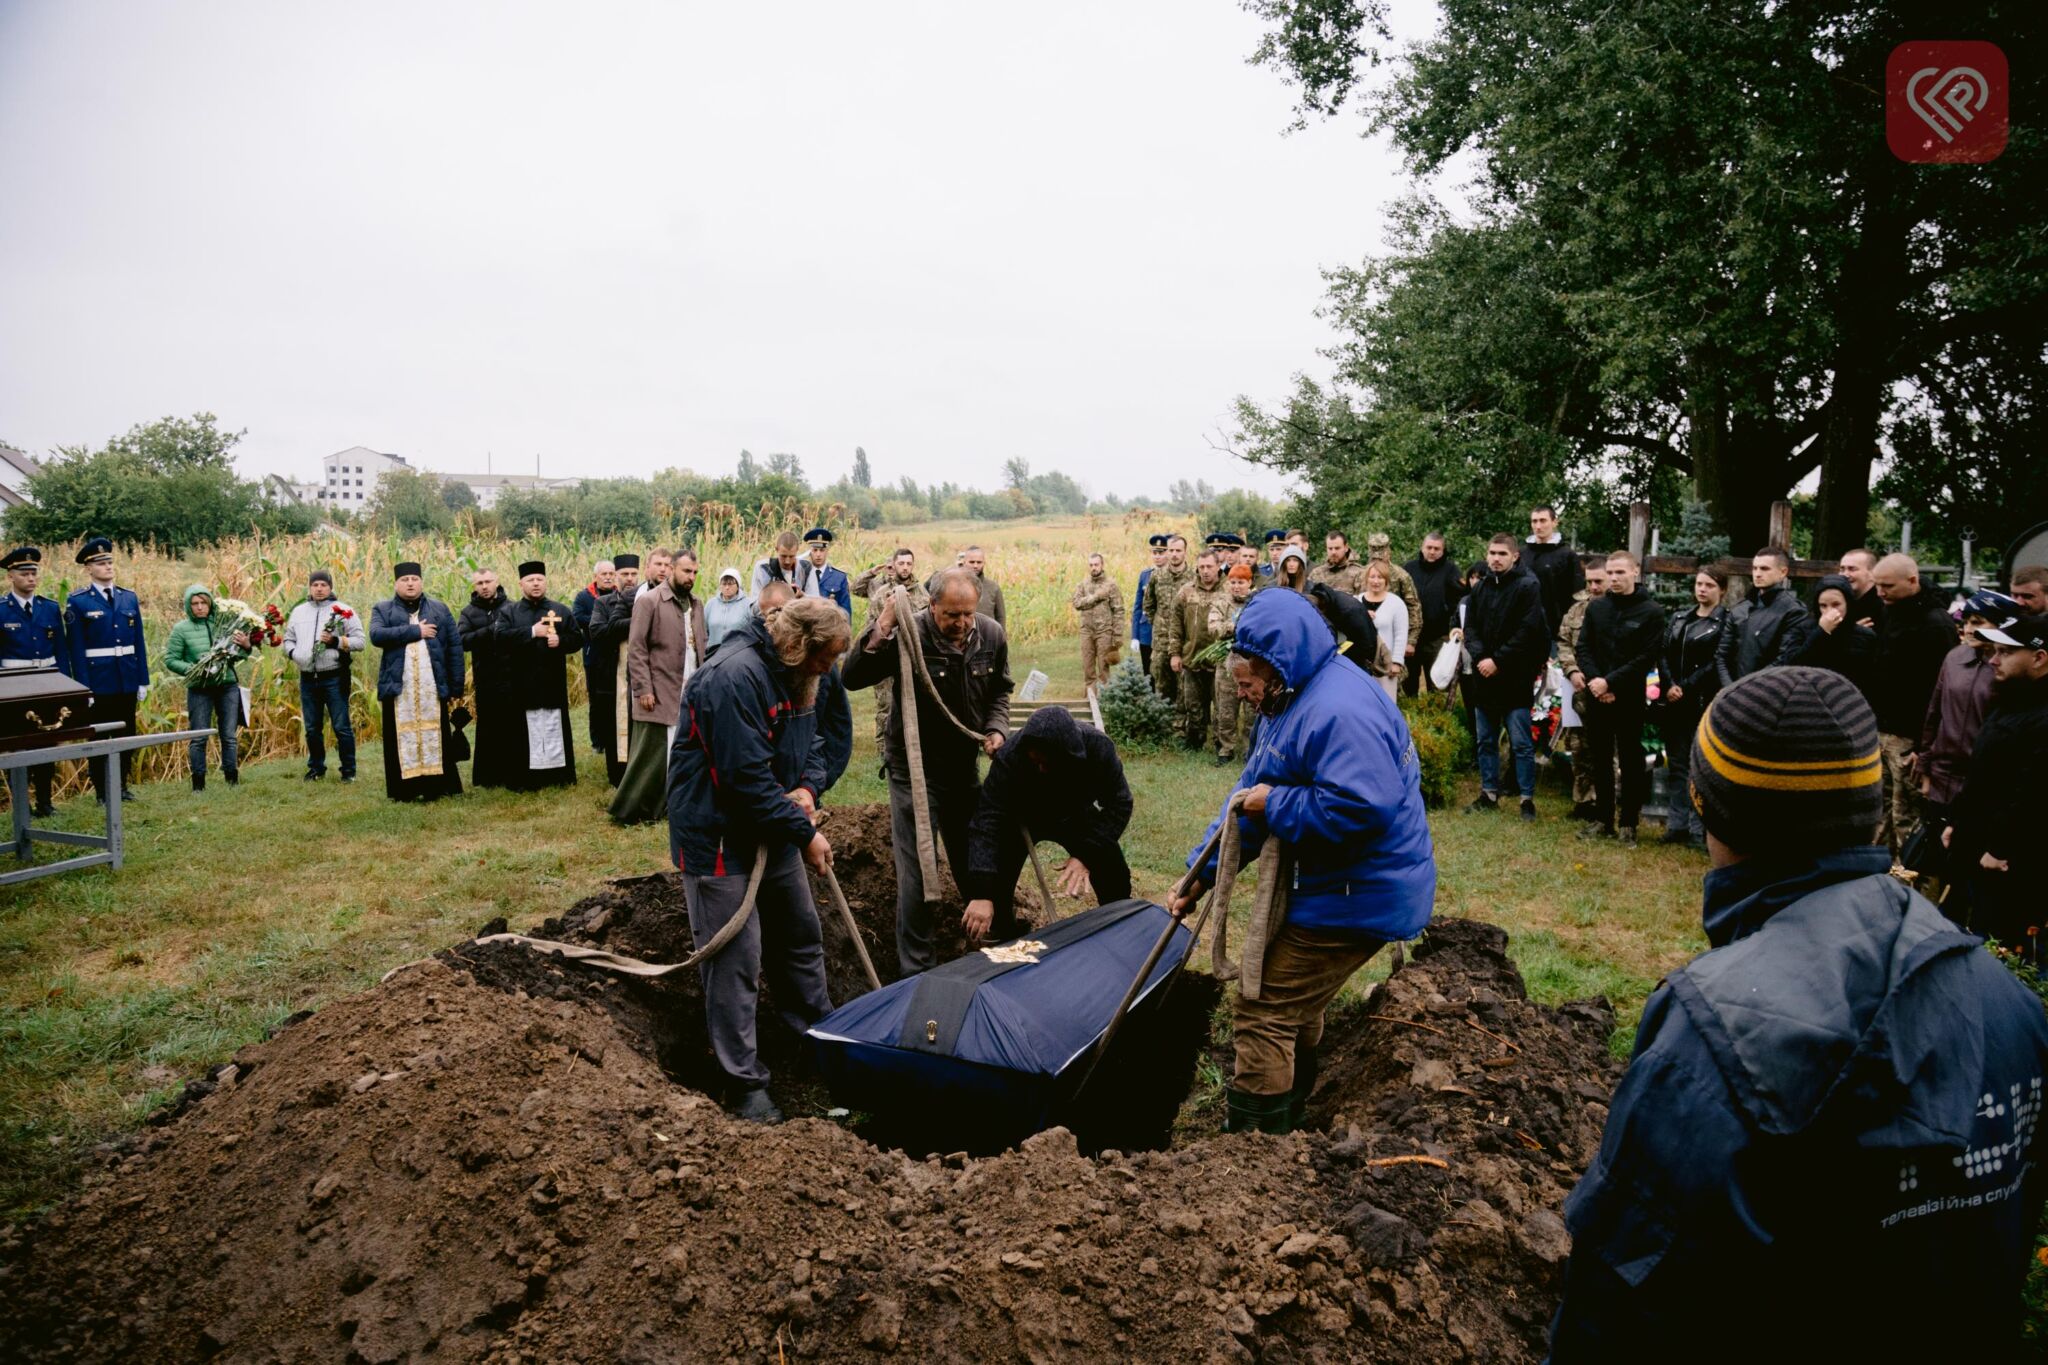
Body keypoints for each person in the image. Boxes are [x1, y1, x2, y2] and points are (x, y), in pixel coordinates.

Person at [1551, 664, 2048, 1355]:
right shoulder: (2011, 999)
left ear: (1704, 805)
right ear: (1874, 808)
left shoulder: (1709, 1029)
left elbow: (1622, 1298)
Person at [1167, 589, 1435, 1134]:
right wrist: (1201, 875)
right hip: (1337, 883)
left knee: (1264, 1008)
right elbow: (1251, 794)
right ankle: (1296, 1115)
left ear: (1276, 665)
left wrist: (1278, 803)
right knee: (1296, 1002)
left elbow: (1363, 806)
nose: (1242, 696)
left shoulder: (1338, 711)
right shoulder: (1288, 699)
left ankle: (1254, 1151)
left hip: (1363, 892)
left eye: (1246, 684)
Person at [666, 595, 848, 1124]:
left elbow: (811, 743)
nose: (829, 670)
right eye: (824, 659)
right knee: (735, 962)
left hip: (772, 828)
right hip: (720, 837)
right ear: (796, 645)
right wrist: (804, 832)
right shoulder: (732, 678)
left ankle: (816, 1040)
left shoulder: (801, 674)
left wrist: (809, 791)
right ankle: (742, 1083)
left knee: (799, 936)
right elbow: (743, 780)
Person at [842, 567, 1013, 974]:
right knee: (918, 873)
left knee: (976, 860)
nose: (962, 623)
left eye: (968, 613)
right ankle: (916, 970)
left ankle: (994, 950)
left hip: (962, 767)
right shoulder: (908, 633)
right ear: (932, 605)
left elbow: (1001, 691)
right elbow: (852, 677)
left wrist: (996, 729)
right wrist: (882, 625)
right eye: (952, 615)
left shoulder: (990, 634)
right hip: (913, 770)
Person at [961, 704, 1133, 938]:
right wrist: (982, 892)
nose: (1041, 769)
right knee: (996, 881)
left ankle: (1116, 928)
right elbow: (986, 820)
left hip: (1075, 814)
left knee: (1113, 873)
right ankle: (1003, 933)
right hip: (1022, 816)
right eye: (1035, 762)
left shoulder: (1097, 749)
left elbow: (1120, 803)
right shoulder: (1011, 756)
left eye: (1047, 763)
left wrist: (1086, 854)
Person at [1943, 615, 2048, 957]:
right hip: (1977, 842)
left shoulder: (2040, 714)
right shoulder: (2011, 700)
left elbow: (2033, 790)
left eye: (2004, 652)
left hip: (2011, 861)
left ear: (2039, 658)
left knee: (2005, 946)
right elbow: (1986, 772)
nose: (1992, 660)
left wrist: (2002, 847)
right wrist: (1957, 822)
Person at [1570, 551, 1665, 845]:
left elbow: (1646, 657)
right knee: (1599, 758)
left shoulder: (1651, 611)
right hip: (1597, 695)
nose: (1614, 578)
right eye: (1610, 573)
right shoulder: (1597, 609)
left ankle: (1628, 824)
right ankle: (1603, 819)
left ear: (1635, 572)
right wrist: (1597, 682)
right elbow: (1583, 647)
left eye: (1621, 572)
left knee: (1631, 760)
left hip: (1628, 696)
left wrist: (1610, 682)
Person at [1868, 553, 1959, 859]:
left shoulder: (1936, 624)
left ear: (1912, 581)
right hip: (1882, 728)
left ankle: (1911, 882)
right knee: (1880, 812)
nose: (1880, 592)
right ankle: (1878, 874)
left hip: (1910, 738)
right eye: (1877, 585)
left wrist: (1924, 747)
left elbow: (1940, 692)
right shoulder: (1889, 610)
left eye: (1888, 586)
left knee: (1905, 813)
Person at [610, 550, 709, 825]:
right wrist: (644, 689)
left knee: (685, 749)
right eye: (686, 571)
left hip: (689, 687)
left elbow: (701, 646)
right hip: (660, 687)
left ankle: (677, 803)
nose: (691, 577)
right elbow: (637, 649)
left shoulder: (697, 604)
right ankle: (637, 807)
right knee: (654, 754)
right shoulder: (649, 601)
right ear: (673, 570)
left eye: (695, 573)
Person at [1916, 590, 2016, 847]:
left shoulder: (2009, 668)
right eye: (1966, 621)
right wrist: (1926, 771)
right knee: (1931, 854)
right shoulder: (1954, 658)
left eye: (1978, 621)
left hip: (1979, 783)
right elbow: (1934, 713)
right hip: (1941, 777)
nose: (1968, 628)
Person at [1462, 534, 1549, 820]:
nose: (1495, 558)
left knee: (1521, 743)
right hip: (1484, 676)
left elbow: (1528, 630)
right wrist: (1481, 658)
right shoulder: (1482, 587)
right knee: (1485, 740)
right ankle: (1488, 792)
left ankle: (1526, 799)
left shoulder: (1528, 586)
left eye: (1501, 553)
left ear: (1515, 556)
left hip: (1514, 676)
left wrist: (1497, 660)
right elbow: (1470, 628)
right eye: (1491, 552)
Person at [63, 536, 149, 802]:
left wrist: (143, 680)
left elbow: (139, 642)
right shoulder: (78, 601)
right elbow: (76, 650)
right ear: (88, 568)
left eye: (109, 561)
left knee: (126, 734)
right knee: (99, 736)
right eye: (100, 563)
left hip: (126, 678)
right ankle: (101, 791)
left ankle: (121, 787)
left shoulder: (128, 598)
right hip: (98, 682)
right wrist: (83, 687)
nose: (107, 567)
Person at [371, 562, 464, 802]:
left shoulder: (439, 610)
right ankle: (405, 791)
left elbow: (454, 647)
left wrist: (456, 686)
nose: (410, 583)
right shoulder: (383, 609)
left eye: (414, 578)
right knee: (400, 737)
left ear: (421, 582)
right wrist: (415, 632)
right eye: (405, 580)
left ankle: (438, 787)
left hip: (432, 687)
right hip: (399, 688)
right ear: (396, 584)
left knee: (436, 733)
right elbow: (377, 636)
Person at [493, 560, 585, 791]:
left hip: (552, 681)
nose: (536, 584)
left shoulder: (560, 610)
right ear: (521, 584)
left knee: (553, 722)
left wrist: (560, 641)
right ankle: (526, 778)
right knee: (524, 728)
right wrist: (532, 632)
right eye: (531, 580)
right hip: (521, 682)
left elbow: (578, 639)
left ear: (545, 582)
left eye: (540, 580)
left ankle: (557, 775)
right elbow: (500, 638)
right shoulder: (509, 612)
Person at [1655, 568, 1731, 847]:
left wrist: (1686, 687)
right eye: (1699, 584)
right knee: (1676, 764)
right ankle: (1676, 825)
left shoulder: (1725, 622)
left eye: (1709, 585)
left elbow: (1717, 661)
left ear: (1721, 589)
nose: (1702, 589)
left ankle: (1698, 829)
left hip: (1701, 701)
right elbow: (1663, 653)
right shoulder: (1679, 618)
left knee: (1701, 768)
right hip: (1674, 700)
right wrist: (1670, 684)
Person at [161, 585, 248, 792]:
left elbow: (236, 656)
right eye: (195, 604)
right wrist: (194, 669)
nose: (200, 608)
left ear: (210, 604)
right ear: (189, 606)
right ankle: (198, 784)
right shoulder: (181, 629)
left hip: (227, 686)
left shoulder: (222, 624)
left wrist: (245, 646)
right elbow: (171, 659)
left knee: (228, 735)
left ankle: (232, 780)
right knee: (199, 736)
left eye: (203, 603)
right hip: (200, 689)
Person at [281, 569, 365, 784]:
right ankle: (316, 768)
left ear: (330, 587)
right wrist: (294, 654)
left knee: (341, 726)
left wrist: (336, 642)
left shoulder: (343, 610)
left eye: (323, 585)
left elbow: (360, 641)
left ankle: (349, 770)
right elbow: (287, 639)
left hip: (334, 676)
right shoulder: (299, 612)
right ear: (309, 587)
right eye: (315, 585)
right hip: (308, 677)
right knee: (311, 728)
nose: (319, 589)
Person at [848, 548, 928, 767]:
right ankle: (884, 751)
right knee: (886, 705)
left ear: (913, 565)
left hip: (911, 658)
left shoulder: (922, 594)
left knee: (913, 703)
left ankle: (911, 748)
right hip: (886, 658)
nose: (904, 567)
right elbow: (871, 628)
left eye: (908, 563)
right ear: (894, 564)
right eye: (900, 563)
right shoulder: (881, 594)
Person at [1, 546, 65, 816]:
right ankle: (21, 805)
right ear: (10, 577)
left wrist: (67, 686)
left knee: (47, 741)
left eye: (33, 573)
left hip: (48, 684)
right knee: (17, 745)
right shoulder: (2, 610)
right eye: (24, 573)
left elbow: (61, 649)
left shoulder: (49, 608)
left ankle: (45, 802)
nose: (30, 578)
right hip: (14, 686)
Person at [1554, 558, 1611, 821]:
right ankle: (1582, 800)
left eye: (1599, 581)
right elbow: (1563, 641)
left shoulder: (1618, 609)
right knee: (1577, 744)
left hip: (1607, 687)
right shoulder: (1576, 610)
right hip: (1576, 686)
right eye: (1590, 581)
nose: (1594, 586)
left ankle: (1605, 800)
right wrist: (1572, 670)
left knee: (1605, 746)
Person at [583, 553, 643, 786]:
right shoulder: (603, 603)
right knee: (614, 724)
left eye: (633, 574)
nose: (629, 579)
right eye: (624, 574)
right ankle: (617, 775)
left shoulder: (647, 599)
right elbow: (597, 631)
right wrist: (634, 622)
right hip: (613, 673)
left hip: (641, 673)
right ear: (616, 577)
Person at [457, 568, 519, 789]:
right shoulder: (468, 613)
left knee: (512, 725)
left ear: (497, 581)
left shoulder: (512, 607)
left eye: (488, 581)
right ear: (474, 586)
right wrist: (491, 631)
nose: (484, 586)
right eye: (479, 583)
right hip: (485, 677)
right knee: (488, 726)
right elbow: (463, 641)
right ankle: (488, 778)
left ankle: (514, 773)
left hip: (512, 674)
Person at [1718, 545, 1813, 685]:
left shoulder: (1793, 611)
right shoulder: (1740, 609)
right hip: (1733, 691)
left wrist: (1747, 686)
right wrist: (1730, 688)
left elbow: (1785, 659)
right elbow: (1722, 655)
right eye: (1754, 568)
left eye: (1764, 568)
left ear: (1783, 572)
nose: (1757, 573)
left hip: (1769, 691)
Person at [1170, 549, 1230, 753]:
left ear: (1218, 567)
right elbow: (1176, 624)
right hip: (1191, 657)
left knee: (1221, 708)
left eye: (1209, 567)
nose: (1205, 571)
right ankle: (1195, 741)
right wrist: (1175, 653)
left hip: (1220, 659)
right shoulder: (1186, 591)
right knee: (1193, 705)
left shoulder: (1229, 589)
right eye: (1201, 567)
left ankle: (1220, 744)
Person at [1789, 573, 1878, 704]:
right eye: (1823, 606)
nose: (1829, 611)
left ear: (1848, 604)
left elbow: (1871, 678)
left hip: (1849, 702)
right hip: (1810, 700)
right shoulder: (1803, 629)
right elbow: (1792, 664)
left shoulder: (1865, 636)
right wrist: (1822, 632)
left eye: (1836, 605)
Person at [1402, 532, 1464, 696]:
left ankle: (1438, 718)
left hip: (1438, 637)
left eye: (1437, 548)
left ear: (1443, 551)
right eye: (1429, 547)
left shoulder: (1451, 570)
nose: (1432, 551)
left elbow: (1460, 599)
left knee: (1438, 684)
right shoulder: (1409, 568)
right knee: (1408, 683)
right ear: (1422, 548)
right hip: (1412, 637)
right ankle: (1410, 717)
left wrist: (1449, 620)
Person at [1209, 564, 1255, 763]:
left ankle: (1250, 750)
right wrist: (1234, 626)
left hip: (1252, 665)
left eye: (1241, 582)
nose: (1237, 587)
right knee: (1226, 709)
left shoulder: (1256, 602)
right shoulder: (1221, 602)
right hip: (1227, 665)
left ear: (1249, 583)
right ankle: (1225, 749)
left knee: (1253, 710)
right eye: (1233, 582)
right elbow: (1213, 628)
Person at [1524, 503, 1585, 639]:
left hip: (1556, 630)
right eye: (1534, 521)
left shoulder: (1568, 556)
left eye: (1543, 520)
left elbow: (1577, 594)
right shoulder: (1521, 554)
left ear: (1554, 522)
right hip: (1523, 629)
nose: (1538, 526)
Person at [1144, 535, 1193, 702]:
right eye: (1171, 550)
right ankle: (1163, 724)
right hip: (1161, 642)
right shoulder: (1157, 576)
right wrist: (1159, 623)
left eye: (1178, 550)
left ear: (1185, 552)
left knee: (1184, 688)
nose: (1174, 554)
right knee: (1161, 686)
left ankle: (1182, 726)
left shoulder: (1194, 577)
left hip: (1185, 642)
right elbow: (1149, 605)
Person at [1071, 552, 1124, 691]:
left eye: (1096, 564)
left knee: (1103, 666)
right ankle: (1090, 694)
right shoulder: (1083, 584)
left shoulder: (1111, 585)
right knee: (1088, 665)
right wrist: (1096, 597)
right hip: (1086, 631)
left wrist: (1117, 634)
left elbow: (1118, 610)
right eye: (1091, 565)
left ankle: (1105, 696)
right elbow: (1076, 603)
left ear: (1102, 565)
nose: (1093, 567)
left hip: (1104, 631)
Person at [1362, 533, 1424, 650]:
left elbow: (1413, 607)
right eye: (1374, 557)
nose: (1377, 560)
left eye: (1380, 556)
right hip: (1366, 636)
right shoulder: (1362, 574)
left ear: (1388, 552)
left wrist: (1411, 641)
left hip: (1394, 636)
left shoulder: (1400, 575)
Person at [1361, 562, 1408, 700]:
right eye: (1372, 577)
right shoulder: (1356, 601)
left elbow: (1401, 634)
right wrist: (1363, 616)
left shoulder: (1396, 603)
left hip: (1385, 665)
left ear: (1386, 580)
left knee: (1386, 703)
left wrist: (1396, 662)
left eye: (1380, 577)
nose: (1376, 581)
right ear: (1366, 579)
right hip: (1362, 664)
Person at [571, 559, 616, 677]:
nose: (608, 577)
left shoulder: (620, 595)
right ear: (595, 577)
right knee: (595, 692)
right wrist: (599, 620)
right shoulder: (584, 596)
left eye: (611, 574)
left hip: (616, 653)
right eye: (604, 574)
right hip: (593, 653)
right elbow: (577, 619)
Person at [1131, 534, 1167, 677]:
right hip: (1146, 631)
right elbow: (1138, 607)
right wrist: (1135, 635)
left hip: (1165, 631)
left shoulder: (1172, 575)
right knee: (1148, 672)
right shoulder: (1145, 575)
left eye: (1161, 553)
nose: (1157, 556)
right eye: (1155, 553)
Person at [801, 527, 852, 618]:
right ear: (810, 552)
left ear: (827, 551)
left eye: (822, 550)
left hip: (830, 627)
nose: (818, 554)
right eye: (815, 550)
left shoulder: (839, 577)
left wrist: (834, 607)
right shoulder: (802, 575)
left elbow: (846, 612)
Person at [1307, 531, 1368, 597]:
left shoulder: (1359, 573)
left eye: (1337, 548)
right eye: (1330, 548)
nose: (1333, 552)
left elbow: (1363, 601)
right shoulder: (1317, 573)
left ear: (1346, 548)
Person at [705, 567, 752, 650]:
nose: (727, 587)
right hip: (712, 653)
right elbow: (704, 631)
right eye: (724, 584)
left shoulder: (747, 604)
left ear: (738, 585)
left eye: (730, 584)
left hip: (736, 653)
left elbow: (751, 632)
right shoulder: (711, 604)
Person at [751, 531, 805, 600]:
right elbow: (754, 604)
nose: (787, 561)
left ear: (797, 550)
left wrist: (803, 596)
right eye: (783, 556)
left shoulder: (806, 568)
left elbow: (816, 601)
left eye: (791, 556)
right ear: (776, 549)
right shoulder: (762, 568)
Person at [1838, 547, 1882, 629]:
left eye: (1852, 569)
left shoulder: (1882, 607)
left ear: (1872, 572)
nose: (1845, 574)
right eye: (1842, 569)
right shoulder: (1837, 603)